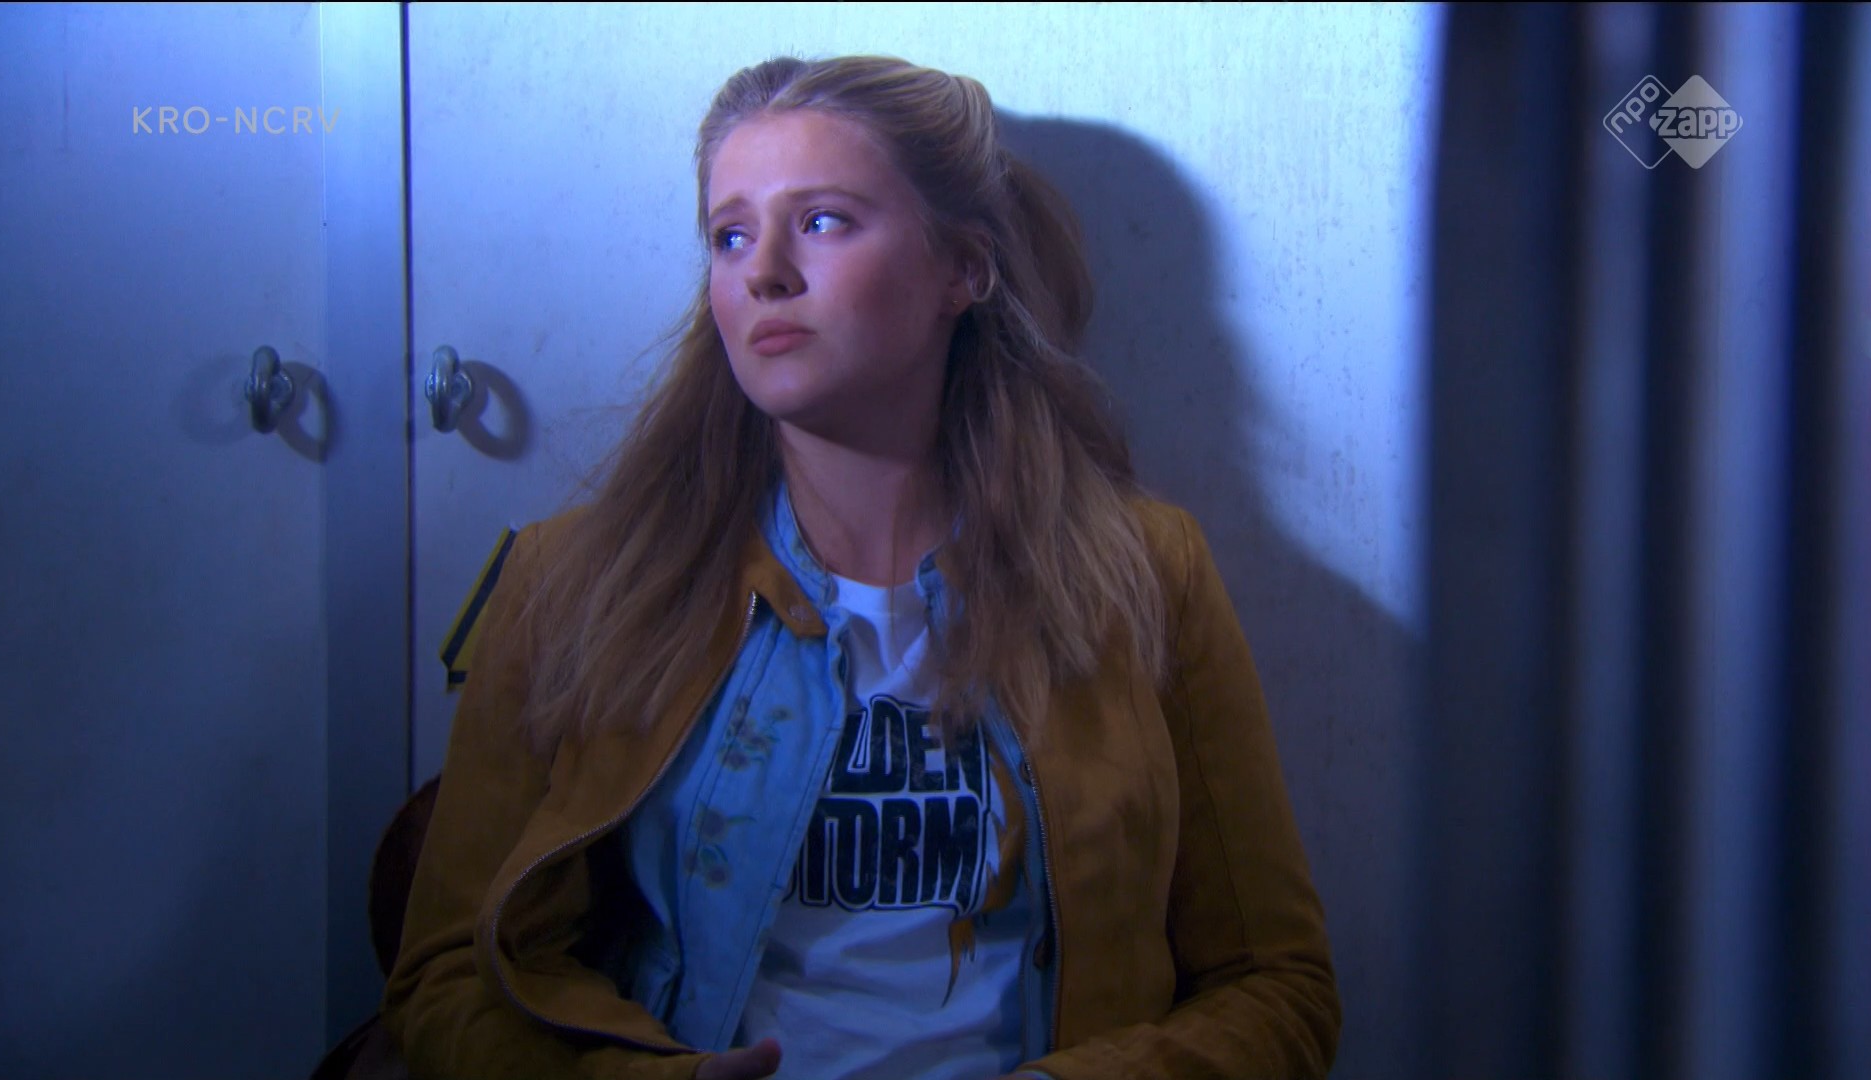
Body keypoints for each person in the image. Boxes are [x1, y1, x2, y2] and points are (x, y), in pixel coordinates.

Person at [381, 53, 1340, 1080]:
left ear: (961, 271)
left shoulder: (1141, 576)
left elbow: (1277, 988)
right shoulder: (575, 583)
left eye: (823, 221)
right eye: (729, 235)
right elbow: (443, 978)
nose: (764, 272)